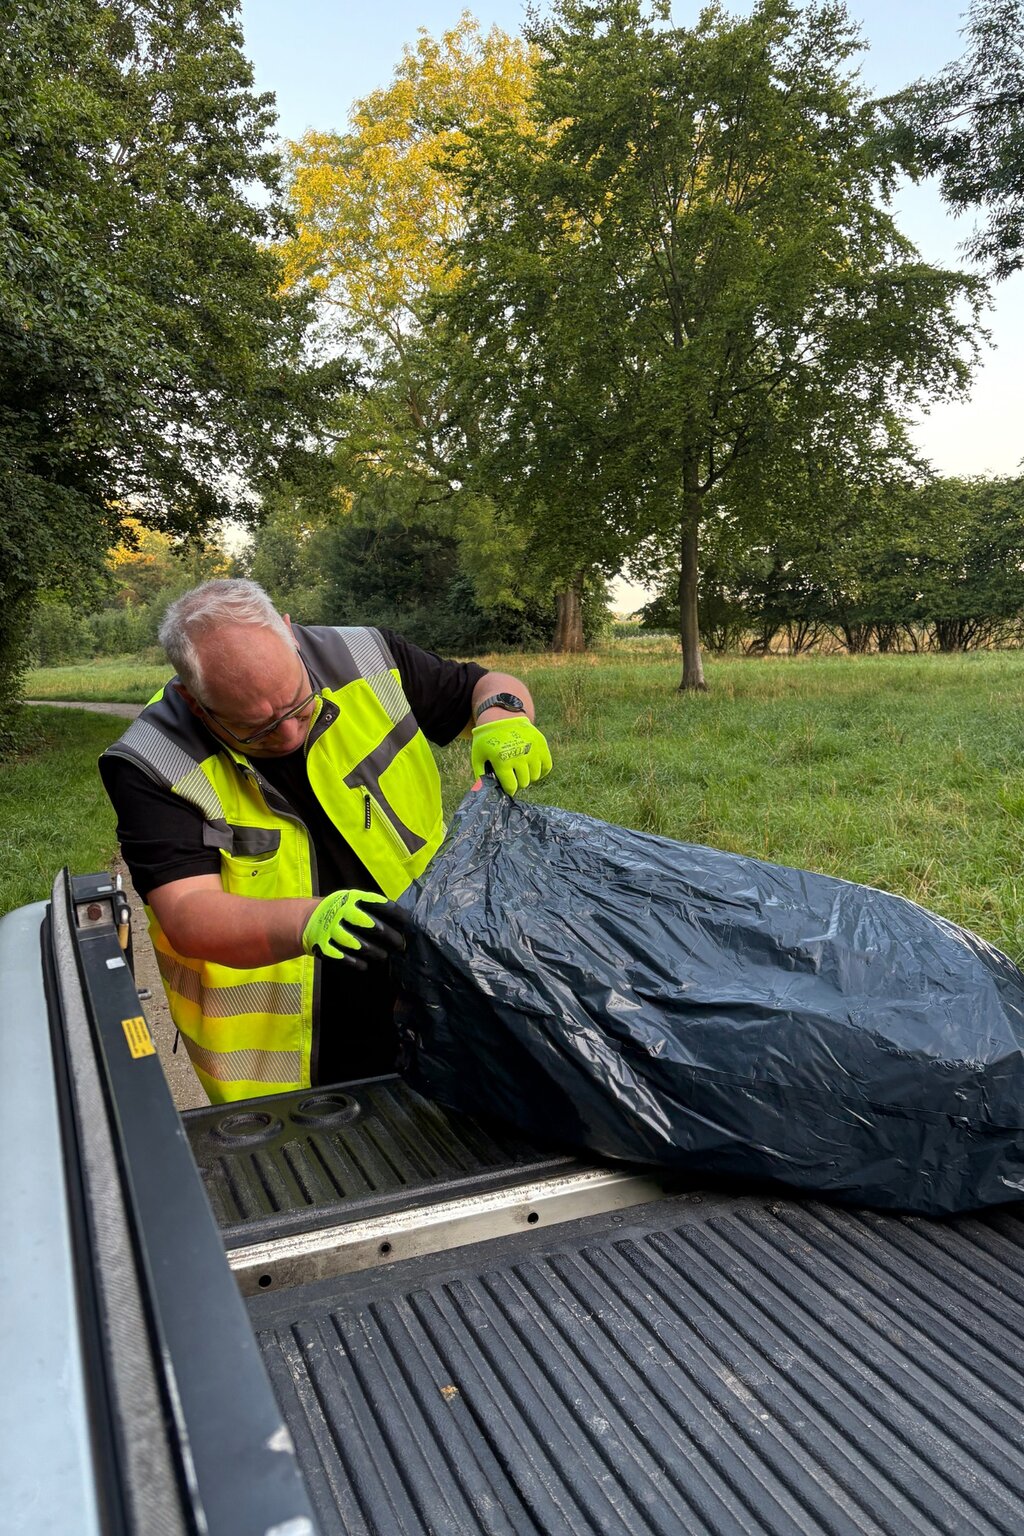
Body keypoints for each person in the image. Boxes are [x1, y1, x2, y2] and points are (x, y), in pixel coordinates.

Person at [99, 579, 552, 1104]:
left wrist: (502, 715)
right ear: (194, 702)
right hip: (292, 1055)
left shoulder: (364, 655)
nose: (289, 734)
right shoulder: (153, 761)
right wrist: (308, 921)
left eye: (298, 705)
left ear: (291, 634)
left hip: (431, 982)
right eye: (258, 729)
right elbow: (187, 912)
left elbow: (485, 684)